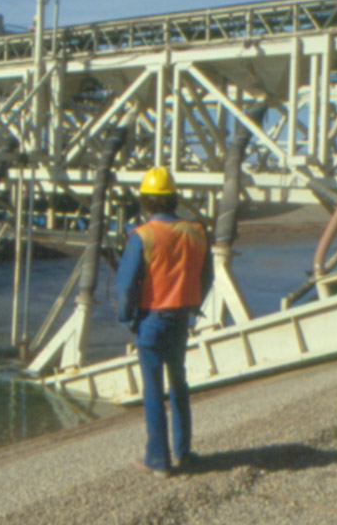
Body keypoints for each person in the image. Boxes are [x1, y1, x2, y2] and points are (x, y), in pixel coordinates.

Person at [116, 166, 212, 477]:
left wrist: (127, 317)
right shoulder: (196, 231)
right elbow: (206, 276)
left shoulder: (142, 237)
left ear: (145, 202)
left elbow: (127, 285)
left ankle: (158, 461)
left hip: (151, 320)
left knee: (154, 390)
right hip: (181, 318)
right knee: (180, 385)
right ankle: (183, 453)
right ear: (174, 199)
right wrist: (192, 303)